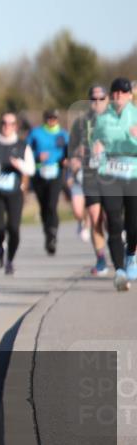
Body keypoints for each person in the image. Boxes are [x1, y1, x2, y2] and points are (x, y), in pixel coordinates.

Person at [91, 77, 137, 292]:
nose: (118, 96)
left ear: (129, 95)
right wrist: (97, 148)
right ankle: (119, 271)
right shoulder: (103, 118)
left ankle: (131, 256)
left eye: (123, 92)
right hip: (110, 175)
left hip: (134, 174)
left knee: (133, 225)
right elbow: (97, 141)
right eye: (115, 92)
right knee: (114, 222)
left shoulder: (136, 115)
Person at [0, 112, 35, 275]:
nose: (7, 126)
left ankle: (10, 260)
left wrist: (19, 165)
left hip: (15, 192)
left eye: (11, 123)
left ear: (16, 126)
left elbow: (31, 169)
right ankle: (0, 246)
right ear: (0, 125)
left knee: (13, 228)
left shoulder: (23, 145)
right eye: (4, 123)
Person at [69, 85, 110, 275]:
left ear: (107, 99)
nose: (97, 102)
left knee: (114, 220)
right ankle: (101, 259)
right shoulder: (81, 122)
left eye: (101, 98)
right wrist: (76, 158)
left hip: (114, 176)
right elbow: (72, 152)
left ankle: (128, 254)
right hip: (90, 176)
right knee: (95, 218)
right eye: (93, 99)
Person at [26, 109, 70, 255]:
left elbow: (69, 152)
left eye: (54, 118)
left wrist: (65, 160)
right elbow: (25, 151)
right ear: (45, 119)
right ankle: (47, 232)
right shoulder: (36, 133)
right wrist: (37, 156)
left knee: (52, 204)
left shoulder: (63, 134)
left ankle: (52, 234)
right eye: (49, 118)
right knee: (44, 206)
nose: (52, 120)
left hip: (56, 173)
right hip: (39, 174)